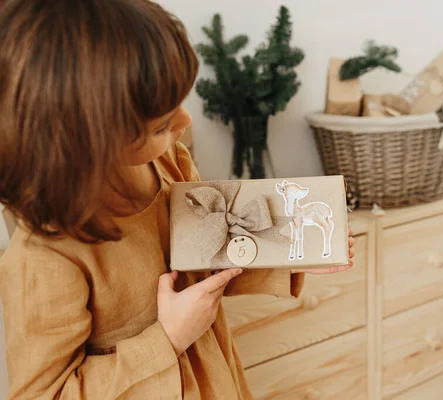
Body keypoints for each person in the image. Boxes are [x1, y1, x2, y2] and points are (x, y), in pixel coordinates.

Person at [0, 0, 355, 398]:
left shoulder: (167, 163)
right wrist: (167, 338)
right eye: (162, 125)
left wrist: (292, 252)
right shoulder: (43, 259)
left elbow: (206, 261)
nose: (186, 123)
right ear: (85, 144)